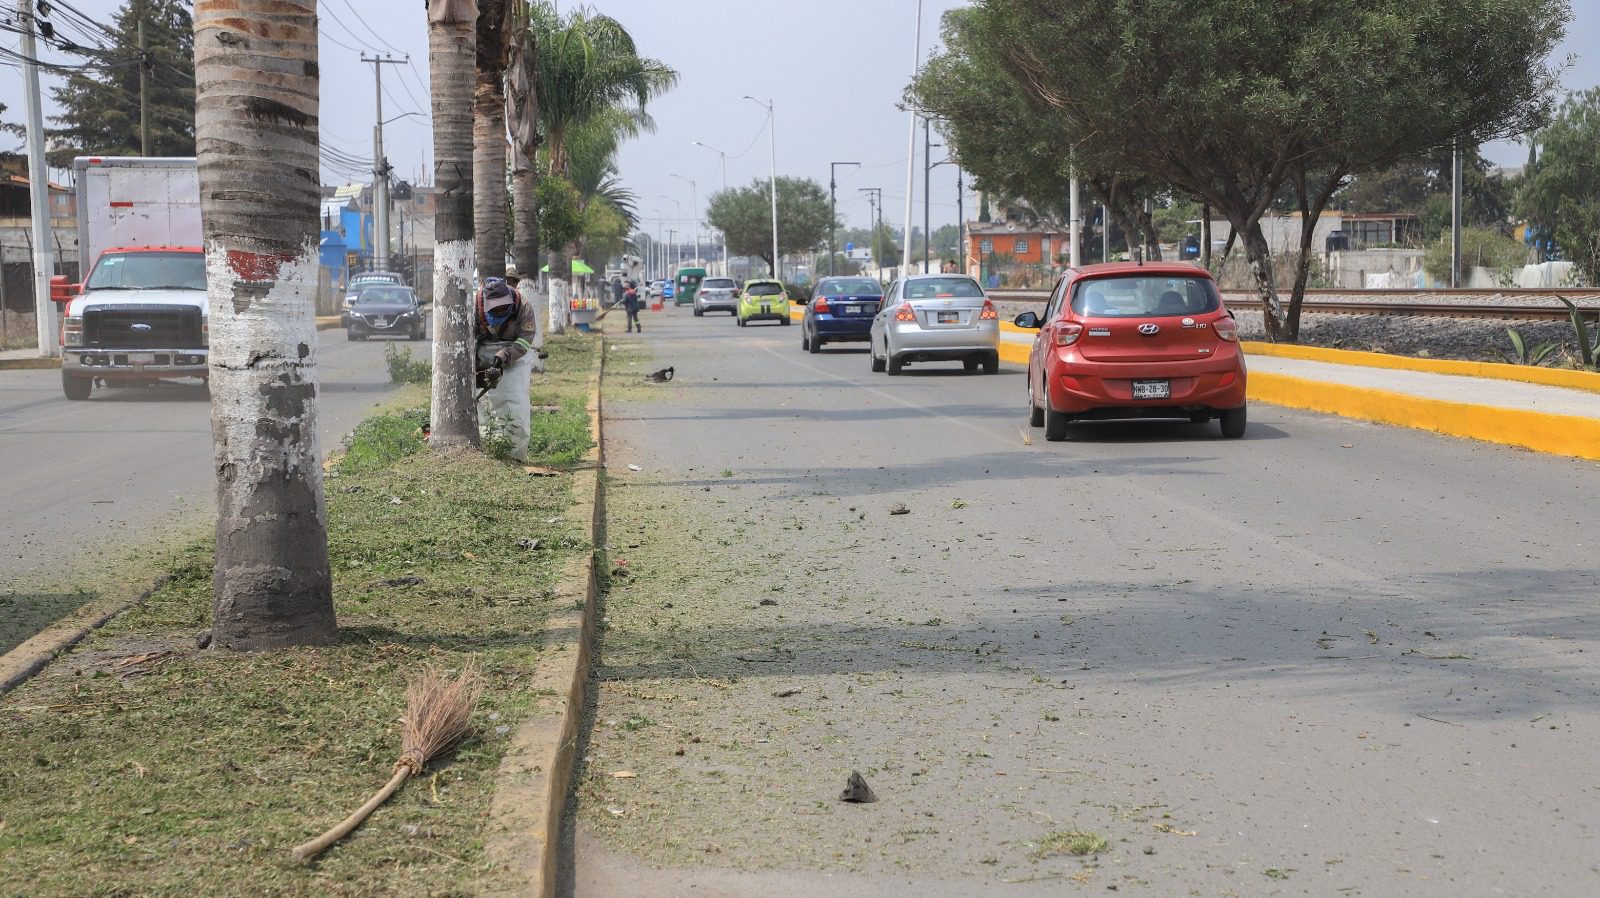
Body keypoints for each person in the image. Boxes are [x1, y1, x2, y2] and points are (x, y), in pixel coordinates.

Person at [475, 277, 543, 462]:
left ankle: (515, 456)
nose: (500, 311)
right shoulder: (473, 305)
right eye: (495, 308)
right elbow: (467, 341)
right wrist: (476, 369)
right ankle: (488, 452)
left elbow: (525, 340)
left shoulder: (523, 305)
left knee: (515, 402)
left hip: (515, 355)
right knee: (481, 405)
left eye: (503, 307)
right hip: (482, 352)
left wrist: (503, 356)